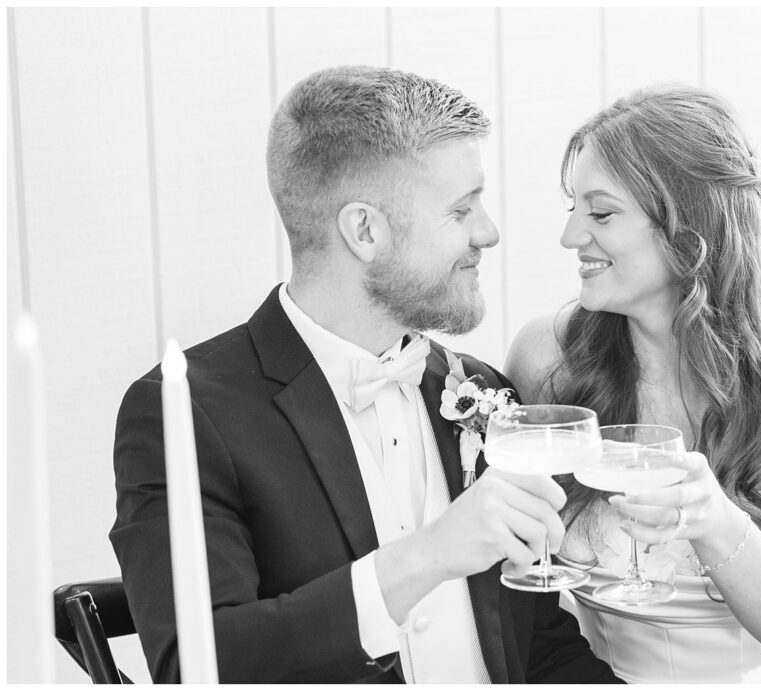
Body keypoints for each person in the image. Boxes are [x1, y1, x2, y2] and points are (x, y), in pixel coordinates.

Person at [109, 65, 620, 684]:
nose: (488, 232)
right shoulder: (185, 413)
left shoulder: (481, 392)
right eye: (461, 209)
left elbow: (538, 647)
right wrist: (428, 557)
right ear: (365, 230)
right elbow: (201, 665)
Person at [506, 84, 761, 683]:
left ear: (690, 227)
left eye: (601, 213)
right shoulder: (546, 357)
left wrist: (713, 520)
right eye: (573, 210)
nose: (571, 237)